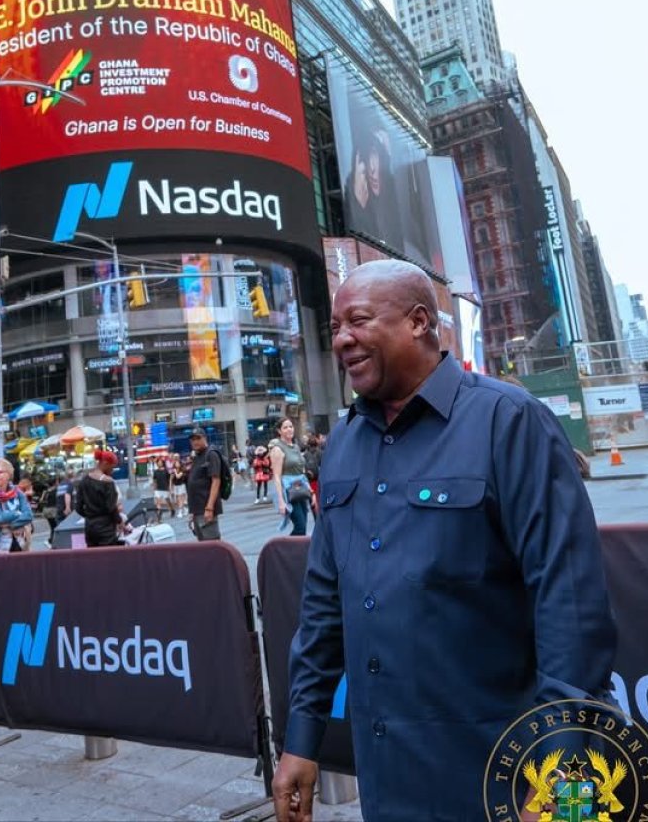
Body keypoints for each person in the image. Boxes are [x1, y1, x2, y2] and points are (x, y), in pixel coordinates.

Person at [272, 260, 617, 822]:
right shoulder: (341, 446)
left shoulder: (510, 422)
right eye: (334, 327)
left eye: (357, 321)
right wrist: (300, 739)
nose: (342, 340)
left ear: (418, 322)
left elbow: (571, 607)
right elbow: (323, 607)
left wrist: (562, 770)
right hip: (388, 781)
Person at [0, 459, 35, 553]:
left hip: (17, 544)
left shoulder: (18, 493)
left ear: (9, 475)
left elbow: (29, 515)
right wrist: (17, 513)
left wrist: (9, 525)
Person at [75, 449, 129, 547]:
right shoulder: (108, 482)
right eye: (111, 468)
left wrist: (90, 516)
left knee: (93, 557)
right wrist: (120, 521)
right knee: (107, 558)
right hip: (106, 528)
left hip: (89, 528)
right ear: (105, 463)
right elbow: (111, 508)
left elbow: (78, 507)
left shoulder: (84, 481)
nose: (112, 471)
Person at [268, 418, 311, 536]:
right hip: (288, 491)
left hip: (301, 488)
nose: (289, 429)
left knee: (304, 525)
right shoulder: (277, 448)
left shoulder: (295, 447)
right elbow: (276, 476)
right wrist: (281, 501)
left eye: (291, 426)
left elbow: (301, 471)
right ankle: (287, 551)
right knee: (300, 525)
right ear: (279, 431)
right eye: (285, 427)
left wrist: (310, 491)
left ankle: (297, 553)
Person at [186, 428, 221, 540]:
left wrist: (210, 508)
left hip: (206, 509)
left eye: (198, 438)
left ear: (205, 438)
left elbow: (216, 481)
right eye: (192, 439)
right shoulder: (197, 456)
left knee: (212, 545)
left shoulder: (211, 454)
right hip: (198, 510)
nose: (195, 442)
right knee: (203, 546)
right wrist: (193, 512)